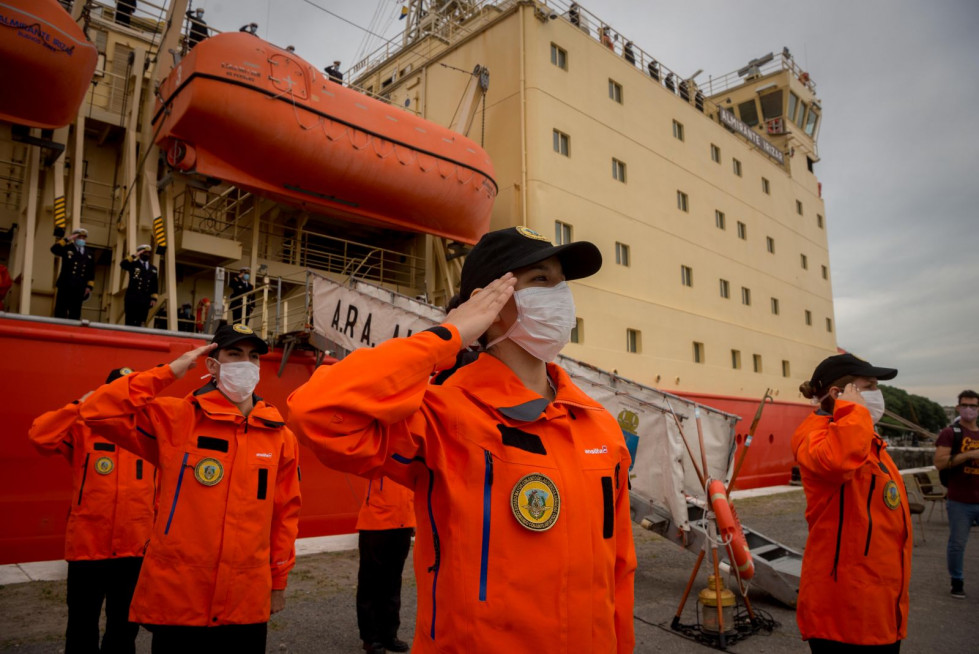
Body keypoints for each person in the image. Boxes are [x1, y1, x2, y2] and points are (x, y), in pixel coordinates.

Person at [288, 226, 636, 653]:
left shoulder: (598, 426)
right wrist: (448, 336)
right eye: (541, 280)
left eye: (562, 282)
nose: (561, 296)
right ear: (488, 301)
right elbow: (318, 413)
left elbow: (620, 568)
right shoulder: (442, 416)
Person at [79, 325, 301, 652]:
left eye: (253, 357)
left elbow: (285, 516)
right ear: (212, 364)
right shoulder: (176, 418)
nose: (246, 364)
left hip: (245, 598)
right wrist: (170, 371)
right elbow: (97, 409)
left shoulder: (279, 436)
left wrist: (278, 581)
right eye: (234, 354)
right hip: (179, 599)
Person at [29, 367, 156, 654]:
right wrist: (79, 406)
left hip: (134, 549)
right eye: (116, 393)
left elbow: (158, 493)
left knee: (124, 630)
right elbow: (40, 437)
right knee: (81, 627)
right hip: (88, 548)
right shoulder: (83, 428)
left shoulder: (149, 433)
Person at [793, 353, 911, 653]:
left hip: (877, 605)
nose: (877, 394)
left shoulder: (863, 437)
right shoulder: (816, 435)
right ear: (837, 394)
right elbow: (836, 462)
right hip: (845, 611)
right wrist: (853, 413)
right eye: (869, 386)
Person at [356, 476, 415, 654]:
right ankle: (371, 638)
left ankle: (389, 635)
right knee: (370, 582)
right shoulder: (376, 447)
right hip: (375, 520)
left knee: (393, 581)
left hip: (404, 519)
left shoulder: (411, 449)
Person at [934, 389, 979, 599]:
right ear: (958, 407)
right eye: (965, 405)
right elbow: (940, 462)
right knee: (958, 543)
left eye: (974, 406)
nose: (969, 409)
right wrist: (969, 454)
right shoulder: (951, 433)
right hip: (960, 499)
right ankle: (957, 581)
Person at [51, 228, 95, 320]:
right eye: (79, 237)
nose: (81, 239)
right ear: (74, 237)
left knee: (75, 313)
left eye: (83, 237)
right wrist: (67, 239)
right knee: (61, 311)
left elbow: (91, 271)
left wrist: (89, 287)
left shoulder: (89, 253)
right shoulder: (67, 248)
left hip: (79, 287)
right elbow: (54, 249)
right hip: (65, 285)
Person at [119, 244, 159, 327]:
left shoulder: (153, 269)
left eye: (148, 253)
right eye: (145, 252)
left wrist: (154, 298)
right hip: (132, 299)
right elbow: (123, 264)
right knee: (129, 322)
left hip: (145, 300)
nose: (147, 254)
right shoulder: (134, 264)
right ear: (140, 253)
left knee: (141, 323)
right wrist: (134, 255)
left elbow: (154, 284)